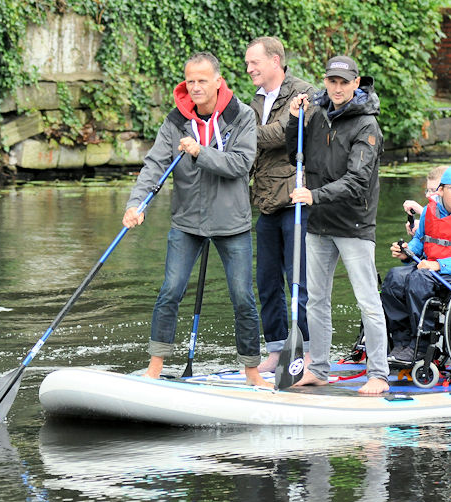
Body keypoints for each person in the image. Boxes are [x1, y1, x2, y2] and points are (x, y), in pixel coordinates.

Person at [123, 52, 268, 387]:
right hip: (187, 222)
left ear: (218, 81)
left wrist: (200, 152)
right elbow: (155, 166)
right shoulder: (176, 121)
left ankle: (252, 372)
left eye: (203, 80)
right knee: (170, 290)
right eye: (190, 81)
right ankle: (154, 369)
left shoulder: (242, 117)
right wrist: (136, 204)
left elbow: (240, 165)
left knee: (243, 297)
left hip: (232, 224)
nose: (196, 87)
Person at [286, 55, 389, 395]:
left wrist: (314, 196)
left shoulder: (366, 126)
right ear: (326, 82)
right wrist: (294, 121)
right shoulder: (316, 116)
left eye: (345, 82)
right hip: (319, 224)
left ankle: (379, 374)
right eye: (332, 81)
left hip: (354, 224)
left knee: (367, 300)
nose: (338, 87)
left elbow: (359, 181)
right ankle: (318, 369)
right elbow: (294, 155)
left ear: (356, 84)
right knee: (315, 299)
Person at [244, 36, 316, 373]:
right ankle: (275, 349)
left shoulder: (303, 92)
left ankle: (307, 351)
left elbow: (282, 133)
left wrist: (243, 134)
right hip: (266, 201)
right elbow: (255, 143)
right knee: (266, 280)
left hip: (295, 199)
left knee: (297, 280)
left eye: (254, 63)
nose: (249, 69)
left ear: (275, 61)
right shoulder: (256, 99)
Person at [382, 165, 451, 363]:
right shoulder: (430, 210)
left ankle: (421, 345)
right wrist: (406, 252)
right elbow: (419, 241)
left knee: (419, 279)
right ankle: (401, 342)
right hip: (428, 268)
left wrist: (439, 265)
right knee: (395, 277)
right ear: (441, 190)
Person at [403, 165, 449, 236]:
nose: (427, 195)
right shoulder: (436, 208)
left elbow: (450, 229)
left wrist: (422, 212)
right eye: (427, 190)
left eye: (433, 190)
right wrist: (422, 224)